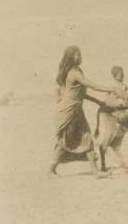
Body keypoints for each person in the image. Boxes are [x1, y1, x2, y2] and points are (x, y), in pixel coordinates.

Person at [49, 46, 123, 177]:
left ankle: (96, 172)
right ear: (71, 57)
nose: (80, 56)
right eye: (77, 55)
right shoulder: (73, 72)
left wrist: (97, 101)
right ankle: (50, 170)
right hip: (68, 111)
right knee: (63, 142)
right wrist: (112, 88)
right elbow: (92, 85)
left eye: (80, 54)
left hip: (76, 111)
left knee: (87, 138)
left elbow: (81, 93)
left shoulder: (78, 70)